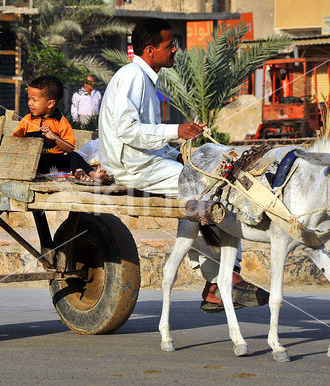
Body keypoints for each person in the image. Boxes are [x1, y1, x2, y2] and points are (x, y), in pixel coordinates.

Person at [98, 18, 268, 312]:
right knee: (206, 187)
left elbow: (143, 133)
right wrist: (175, 131)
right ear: (150, 51)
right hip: (132, 167)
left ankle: (219, 277)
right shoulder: (132, 77)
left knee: (218, 175)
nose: (175, 50)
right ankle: (218, 280)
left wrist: (175, 151)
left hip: (146, 161)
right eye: (169, 46)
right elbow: (127, 131)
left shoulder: (146, 78)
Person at [13, 75, 107, 184]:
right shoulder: (27, 120)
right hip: (34, 161)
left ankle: (93, 174)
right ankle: (76, 173)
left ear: (50, 103)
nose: (30, 103)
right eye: (29, 98)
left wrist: (55, 138)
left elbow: (69, 148)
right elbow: (14, 142)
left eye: (34, 100)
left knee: (74, 156)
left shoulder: (60, 121)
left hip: (55, 161)